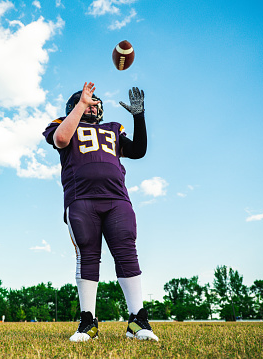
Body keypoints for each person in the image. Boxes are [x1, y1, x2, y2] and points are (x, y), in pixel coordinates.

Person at [42, 82, 158, 342]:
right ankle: (88, 322)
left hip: (117, 198)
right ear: (75, 105)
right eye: (89, 103)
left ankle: (137, 321)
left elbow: (138, 151)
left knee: (127, 252)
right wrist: (82, 104)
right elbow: (61, 139)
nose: (95, 107)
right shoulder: (63, 124)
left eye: (96, 104)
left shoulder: (113, 129)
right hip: (81, 198)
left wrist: (139, 117)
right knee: (87, 254)